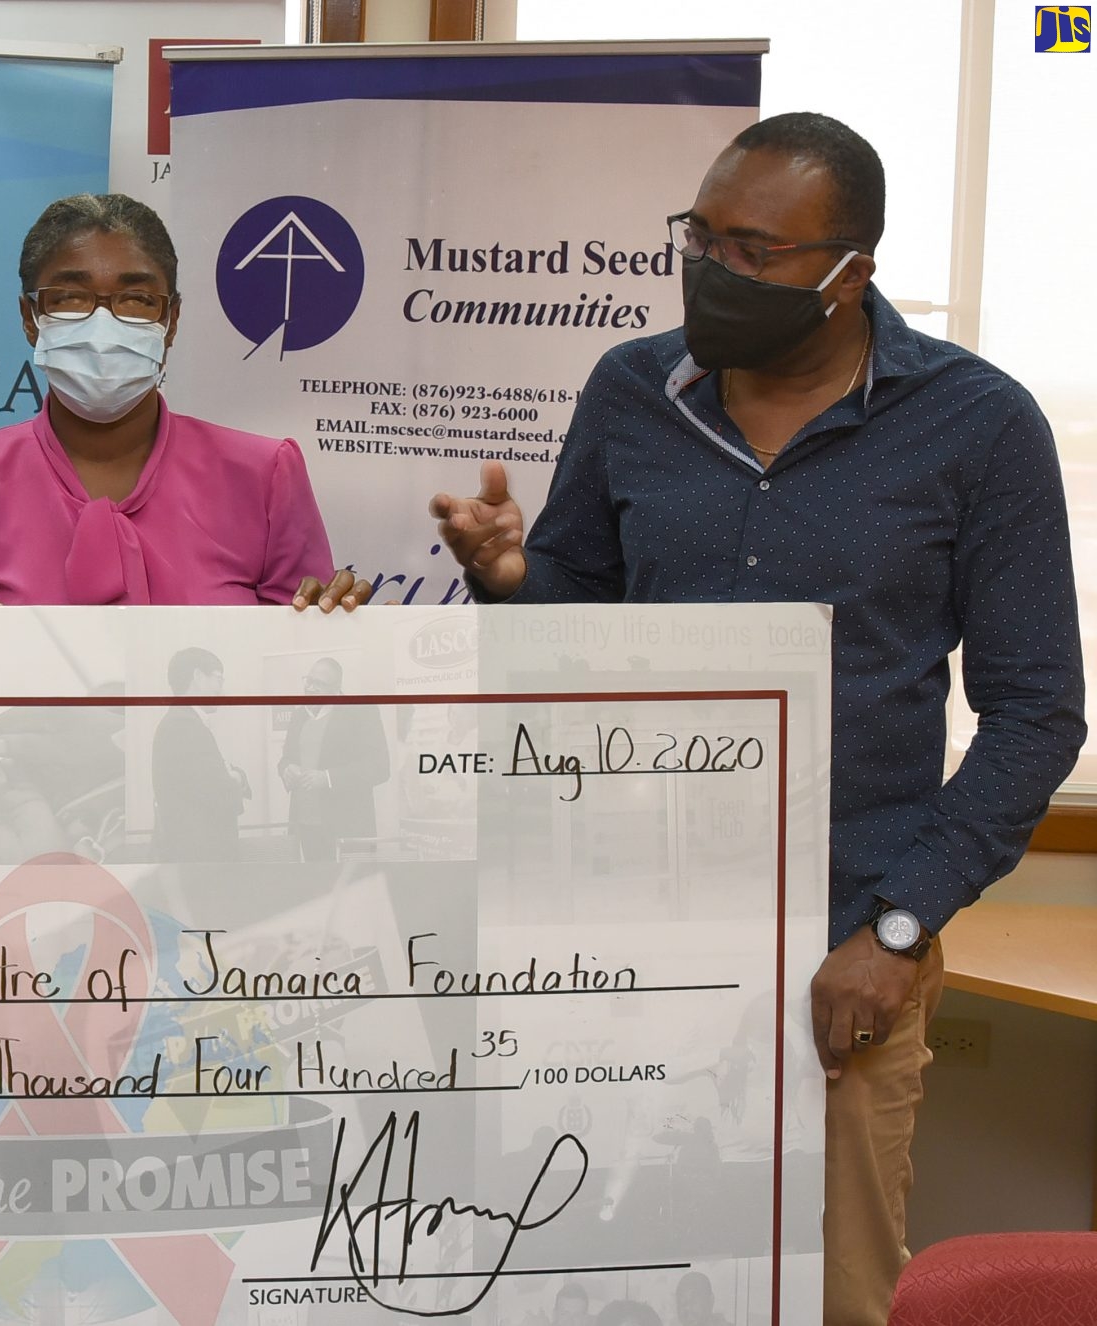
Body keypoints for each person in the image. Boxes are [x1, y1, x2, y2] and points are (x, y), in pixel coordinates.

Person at [428, 113, 1084, 1325]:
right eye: (698, 236)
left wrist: (895, 931)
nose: (709, 273)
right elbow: (575, 630)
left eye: (751, 251)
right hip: (619, 933)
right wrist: (512, 582)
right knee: (588, 1267)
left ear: (850, 274)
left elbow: (1037, 714)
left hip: (839, 949)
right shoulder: (632, 390)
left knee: (829, 1289)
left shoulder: (979, 427)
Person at [0, 192, 370, 616]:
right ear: (31, 318)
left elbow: (303, 677)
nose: (102, 324)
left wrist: (345, 628)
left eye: (136, 298)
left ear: (171, 319)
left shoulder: (264, 477)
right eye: (70, 298)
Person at [278, 657, 390, 861]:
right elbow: (286, 757)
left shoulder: (361, 712)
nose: (310, 688)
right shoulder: (298, 716)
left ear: (336, 687)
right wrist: (286, 768)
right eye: (308, 681)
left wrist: (328, 778)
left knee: (351, 890)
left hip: (347, 827)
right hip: (305, 824)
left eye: (318, 684)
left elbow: (379, 767)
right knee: (317, 886)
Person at [151, 647, 248, 860]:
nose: (221, 690)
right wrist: (237, 779)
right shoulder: (184, 726)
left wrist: (232, 778)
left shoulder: (183, 722)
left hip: (197, 853)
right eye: (218, 679)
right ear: (197, 676)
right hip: (200, 855)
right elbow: (214, 790)